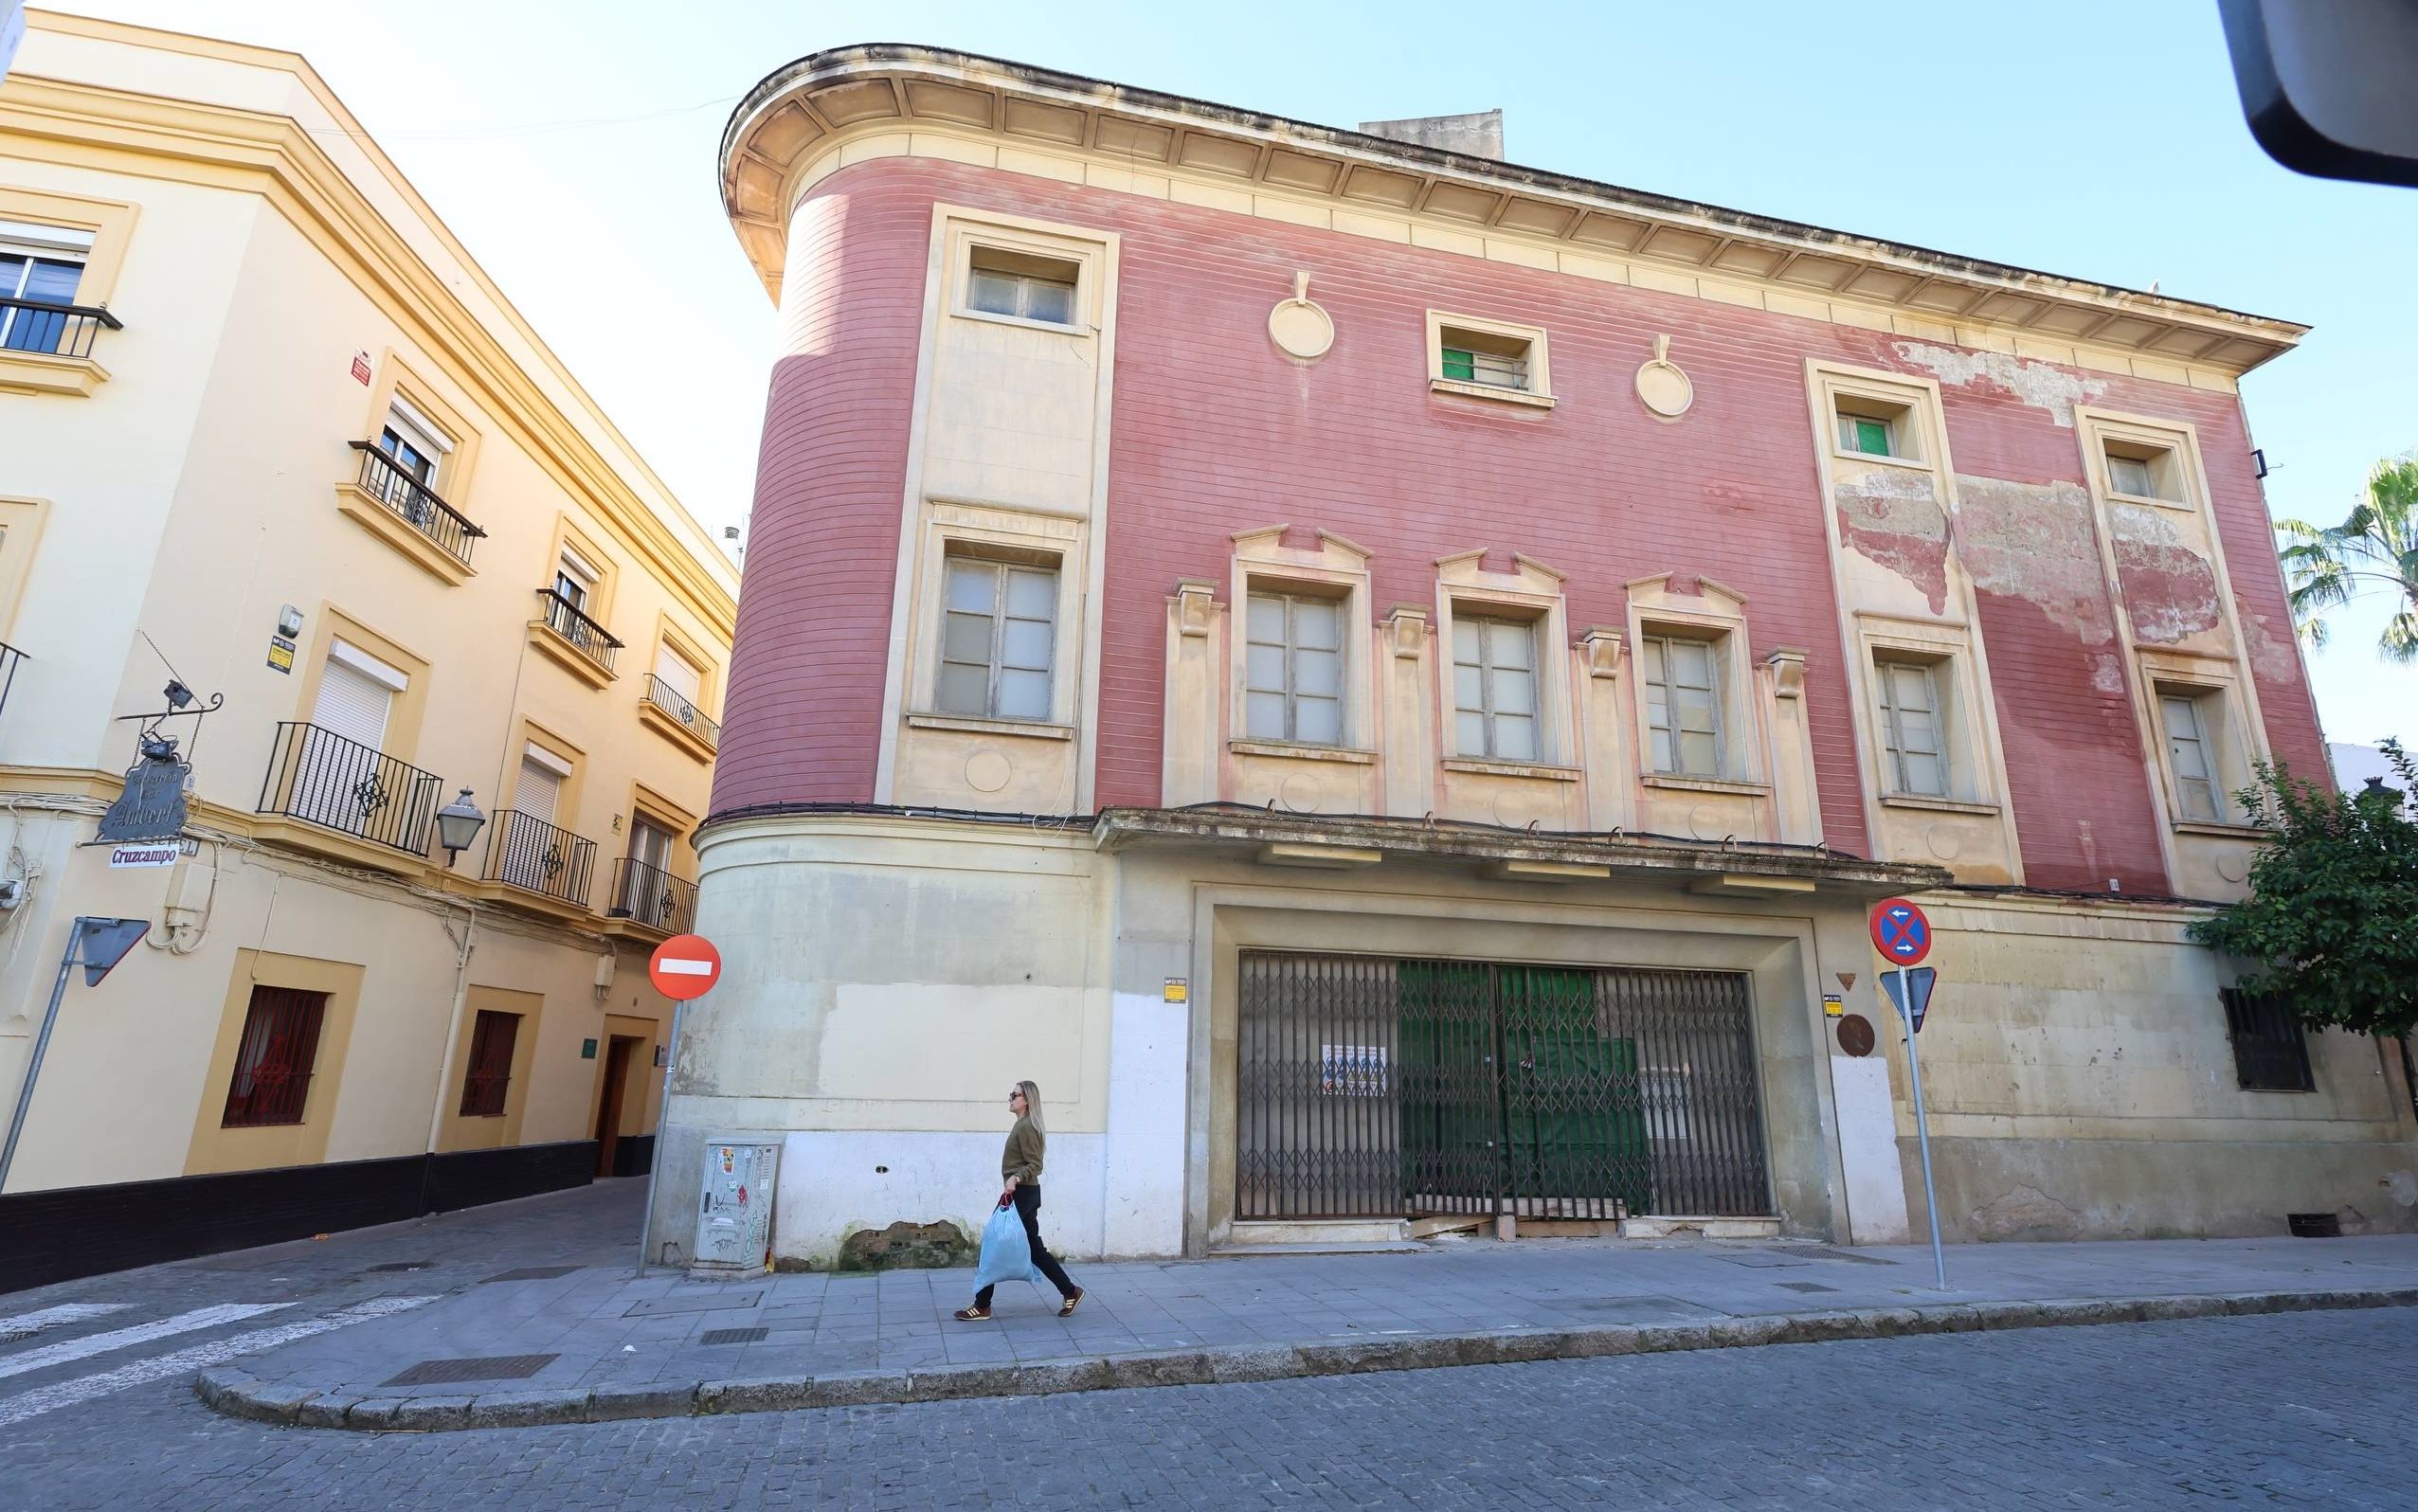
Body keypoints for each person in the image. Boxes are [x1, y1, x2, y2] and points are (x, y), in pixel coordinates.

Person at [956, 1079, 1082, 1321]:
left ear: (1027, 1100)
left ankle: (982, 1305)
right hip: (1025, 1193)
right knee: (1035, 1250)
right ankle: (1070, 1291)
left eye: (1015, 1095)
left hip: (1021, 1193)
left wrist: (1015, 1177)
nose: (1010, 1098)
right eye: (1011, 1094)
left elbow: (1036, 1165)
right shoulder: (1023, 1125)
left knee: (991, 1243)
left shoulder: (1026, 1127)